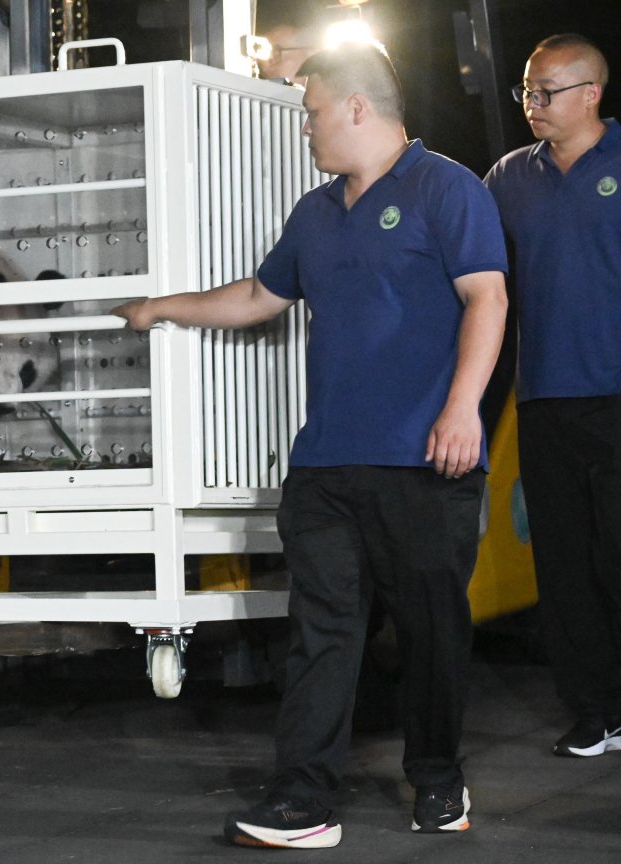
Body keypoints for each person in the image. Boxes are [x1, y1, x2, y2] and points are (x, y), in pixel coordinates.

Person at [113, 43, 508, 847]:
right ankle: (304, 800)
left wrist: (463, 407)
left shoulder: (447, 188)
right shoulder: (316, 213)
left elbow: (487, 297)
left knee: (431, 631)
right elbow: (261, 297)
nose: (307, 128)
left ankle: (437, 780)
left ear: (358, 107)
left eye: (312, 111)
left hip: (426, 461)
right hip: (326, 465)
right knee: (322, 630)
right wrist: (162, 306)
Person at [484, 33, 621, 759]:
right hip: (543, 399)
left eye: (547, 91)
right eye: (527, 92)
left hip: (618, 396)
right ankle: (596, 712)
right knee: (564, 566)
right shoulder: (508, 177)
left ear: (591, 94)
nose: (533, 104)